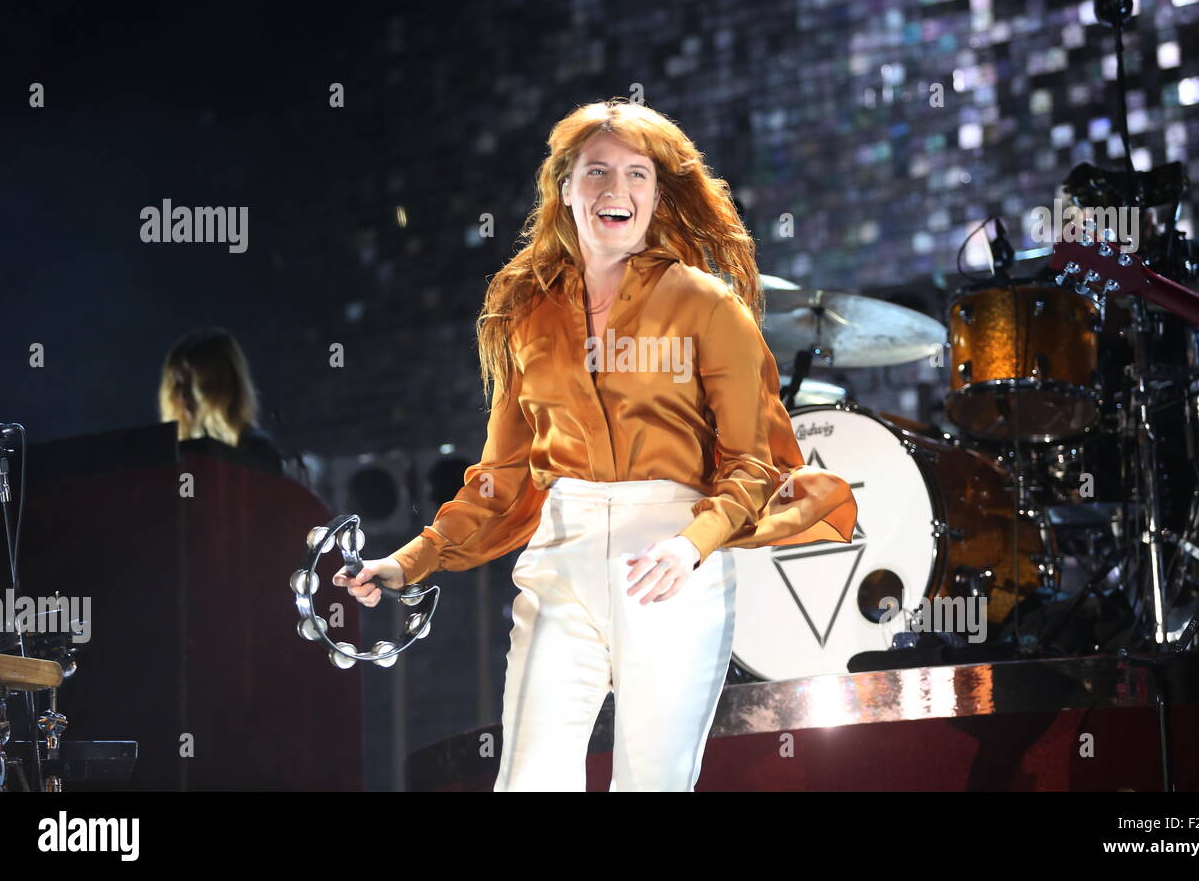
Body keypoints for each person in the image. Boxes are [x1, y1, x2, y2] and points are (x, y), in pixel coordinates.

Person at [335, 98, 858, 791]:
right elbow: (500, 478)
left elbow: (751, 463)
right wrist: (408, 563)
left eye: (638, 174)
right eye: (598, 172)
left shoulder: (707, 304)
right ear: (564, 187)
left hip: (673, 559)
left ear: (658, 192)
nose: (618, 190)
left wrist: (691, 544)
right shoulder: (524, 311)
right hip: (561, 558)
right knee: (527, 782)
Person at [158, 326, 284, 476]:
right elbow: (187, 495)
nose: (183, 395)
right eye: (178, 384)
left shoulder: (257, 452)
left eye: (194, 384)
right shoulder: (177, 455)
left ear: (221, 388)